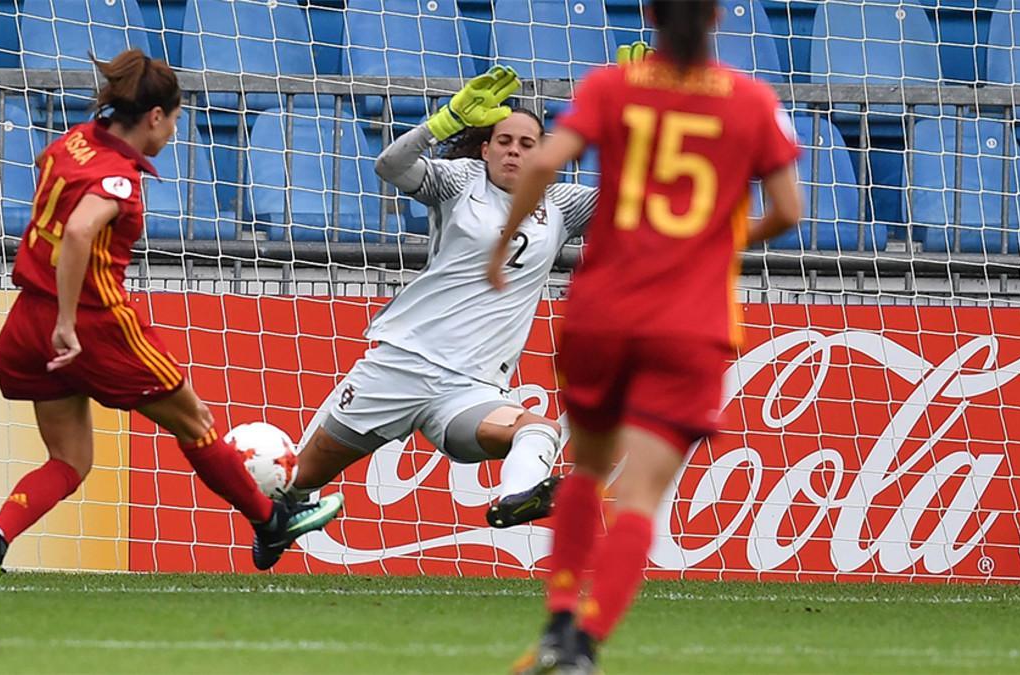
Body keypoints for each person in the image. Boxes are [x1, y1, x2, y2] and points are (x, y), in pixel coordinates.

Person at [489, 3, 802, 671]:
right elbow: (790, 209)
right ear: (717, 16)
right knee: (640, 498)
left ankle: (559, 618)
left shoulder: (611, 85)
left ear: (649, 14)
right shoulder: (751, 100)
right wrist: (718, 239)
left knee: (588, 471)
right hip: (689, 323)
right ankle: (584, 644)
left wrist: (498, 249)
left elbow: (544, 165)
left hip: (602, 313)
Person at [0, 49, 343, 595]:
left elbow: (61, 212)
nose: (174, 132)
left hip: (26, 322)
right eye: (177, 119)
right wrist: (69, 321)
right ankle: (269, 521)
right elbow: (78, 233)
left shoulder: (71, 142)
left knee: (68, 462)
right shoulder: (118, 179)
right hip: (93, 326)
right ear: (156, 117)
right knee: (197, 422)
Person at [286, 54, 637, 541]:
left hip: (469, 390)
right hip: (401, 367)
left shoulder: (561, 205)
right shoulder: (459, 182)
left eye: (527, 144)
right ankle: (275, 522)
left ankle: (518, 497)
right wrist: (443, 121)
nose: (514, 151)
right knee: (299, 477)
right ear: (486, 148)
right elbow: (390, 165)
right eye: (505, 141)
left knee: (538, 430)